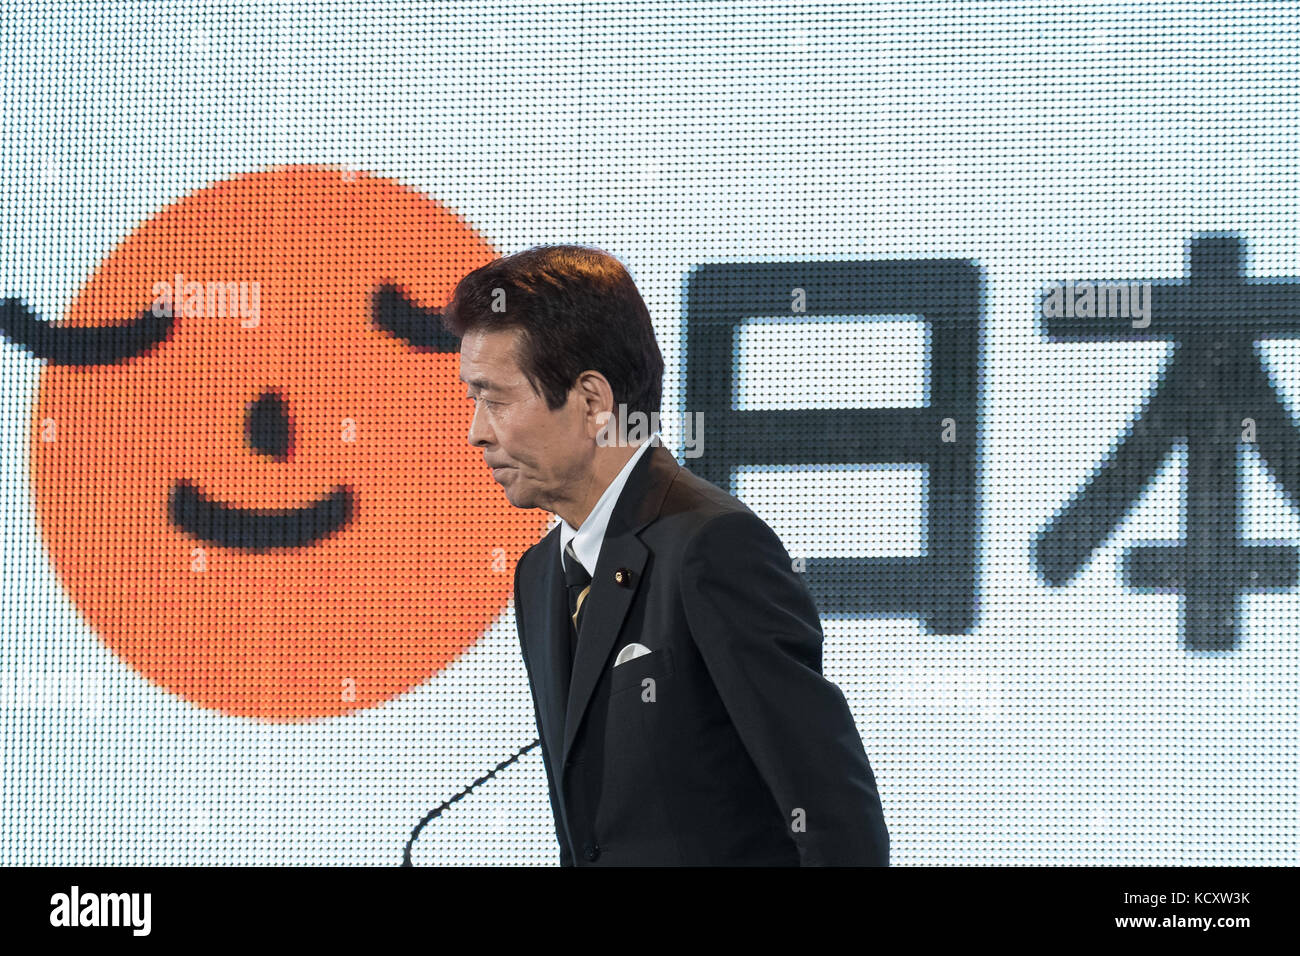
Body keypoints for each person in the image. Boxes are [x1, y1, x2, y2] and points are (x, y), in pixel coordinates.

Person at [442, 244, 889, 865]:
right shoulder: (540, 574)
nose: (477, 431)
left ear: (594, 402)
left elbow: (834, 820)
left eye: (494, 398)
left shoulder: (713, 546)